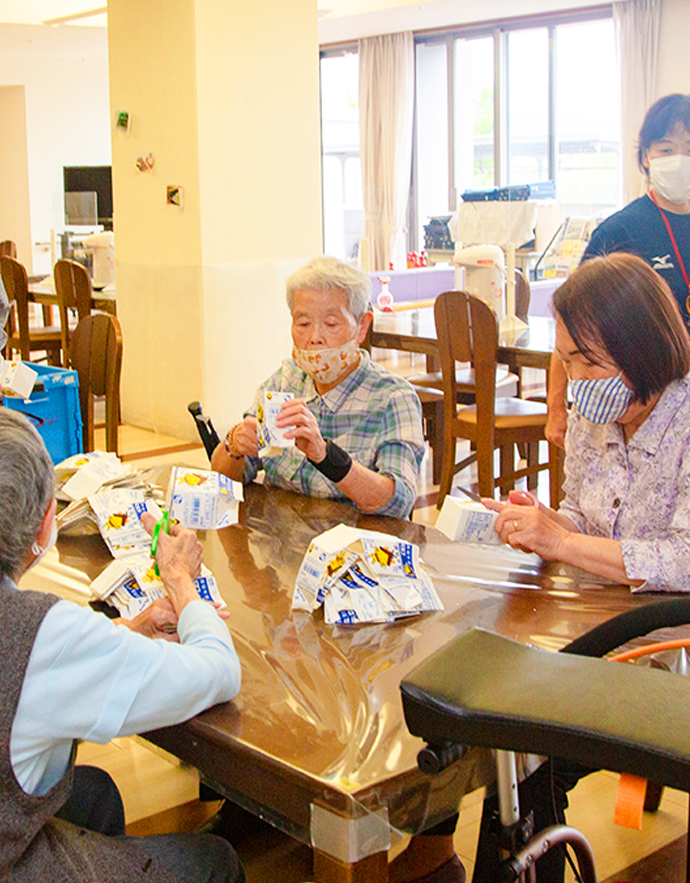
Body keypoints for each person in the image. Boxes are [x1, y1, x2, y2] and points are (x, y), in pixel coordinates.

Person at [471, 252, 690, 883]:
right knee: (502, 713)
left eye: (587, 362)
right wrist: (545, 523)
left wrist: (564, 544)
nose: (574, 380)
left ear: (643, 349)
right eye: (566, 360)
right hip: (611, 607)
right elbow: (584, 511)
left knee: (533, 752)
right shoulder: (596, 413)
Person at [0, 407, 244, 883]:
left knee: (93, 793)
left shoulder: (45, 640)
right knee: (215, 861)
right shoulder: (40, 633)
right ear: (46, 519)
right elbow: (219, 670)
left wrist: (126, 634)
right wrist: (180, 580)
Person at [547, 93, 690, 448]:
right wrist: (556, 407)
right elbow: (573, 325)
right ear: (645, 156)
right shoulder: (620, 230)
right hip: (630, 409)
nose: (680, 160)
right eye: (665, 149)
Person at [212, 256, 424, 519]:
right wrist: (234, 444)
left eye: (331, 324)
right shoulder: (283, 382)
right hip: (281, 546)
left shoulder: (393, 398)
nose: (314, 338)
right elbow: (224, 482)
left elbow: (398, 502)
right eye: (303, 324)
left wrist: (326, 456)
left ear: (362, 326)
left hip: (351, 549)